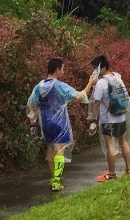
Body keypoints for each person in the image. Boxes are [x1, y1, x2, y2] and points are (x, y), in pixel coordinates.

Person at [26, 57, 94, 192]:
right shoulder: (60, 85)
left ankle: (53, 180)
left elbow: (31, 104)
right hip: (60, 122)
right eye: (62, 69)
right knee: (60, 149)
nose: (63, 72)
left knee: (51, 150)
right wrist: (90, 83)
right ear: (57, 70)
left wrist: (33, 122)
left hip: (45, 122)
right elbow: (79, 97)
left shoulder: (39, 86)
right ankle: (57, 181)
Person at [87, 54, 130, 181]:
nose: (94, 71)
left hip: (108, 119)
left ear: (102, 68)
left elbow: (96, 102)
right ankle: (128, 169)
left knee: (110, 145)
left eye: (96, 68)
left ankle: (112, 174)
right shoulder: (117, 78)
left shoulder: (101, 83)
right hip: (121, 116)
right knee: (123, 142)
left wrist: (93, 119)